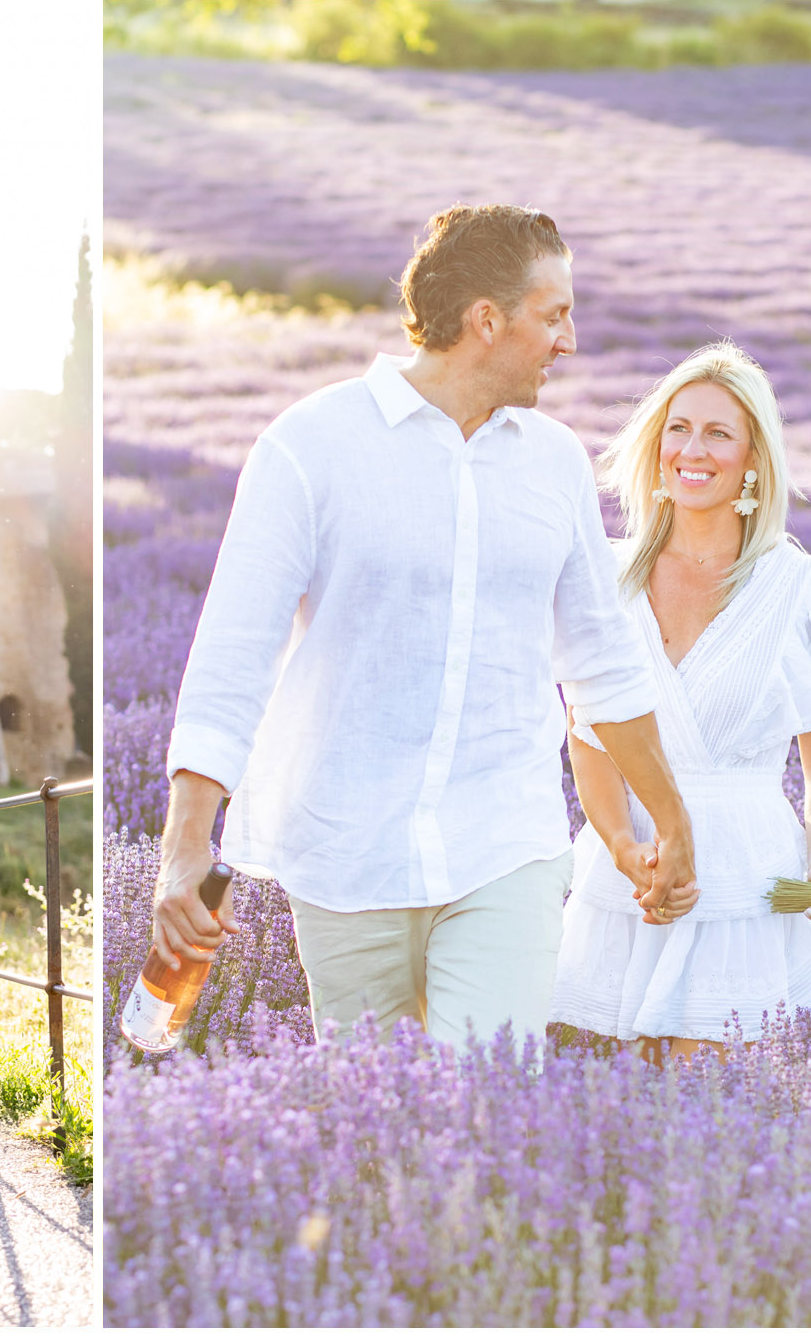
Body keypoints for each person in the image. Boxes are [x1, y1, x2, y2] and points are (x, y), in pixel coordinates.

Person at [154, 203, 700, 1056]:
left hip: (505, 843)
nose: (570, 341)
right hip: (346, 850)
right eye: (554, 315)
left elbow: (602, 660)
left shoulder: (555, 462)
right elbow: (233, 657)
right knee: (379, 1113)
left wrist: (669, 819)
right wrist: (183, 846)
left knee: (486, 1093)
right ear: (487, 320)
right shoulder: (310, 446)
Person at [549, 342, 811, 1060]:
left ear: (754, 457)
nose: (692, 450)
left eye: (718, 433)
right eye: (679, 427)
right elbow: (588, 737)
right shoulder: (604, 578)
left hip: (746, 882)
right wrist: (625, 846)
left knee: (713, 1097)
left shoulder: (807, 591)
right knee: (608, 1097)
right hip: (626, 878)